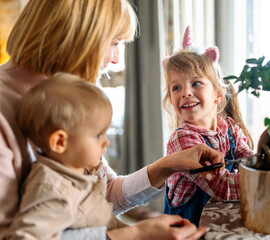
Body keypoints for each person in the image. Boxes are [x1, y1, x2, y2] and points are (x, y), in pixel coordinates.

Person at [0, 1, 223, 239]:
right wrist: (131, 236)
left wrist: (168, 165)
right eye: (114, 43)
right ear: (77, 38)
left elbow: (102, 193)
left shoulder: (66, 93)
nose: (116, 59)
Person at [161, 26, 270, 226]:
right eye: (176, 87)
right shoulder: (182, 139)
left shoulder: (228, 127)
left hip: (219, 222)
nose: (185, 92)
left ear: (218, 95)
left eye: (195, 83)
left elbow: (249, 163)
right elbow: (222, 187)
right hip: (187, 231)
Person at [6, 73, 123, 238]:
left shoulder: (81, 170)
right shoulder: (52, 189)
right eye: (98, 135)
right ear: (60, 142)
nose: (106, 143)